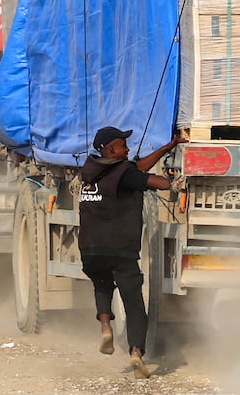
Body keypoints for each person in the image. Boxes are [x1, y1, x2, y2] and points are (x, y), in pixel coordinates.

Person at [78, 125, 184, 378]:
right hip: (120, 249)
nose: (127, 148)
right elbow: (151, 180)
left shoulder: (89, 170)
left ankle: (106, 328)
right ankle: (136, 353)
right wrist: (172, 183)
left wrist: (166, 148)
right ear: (111, 149)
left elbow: (136, 169)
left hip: (90, 249)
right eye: (123, 144)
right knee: (134, 303)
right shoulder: (124, 175)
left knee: (102, 285)